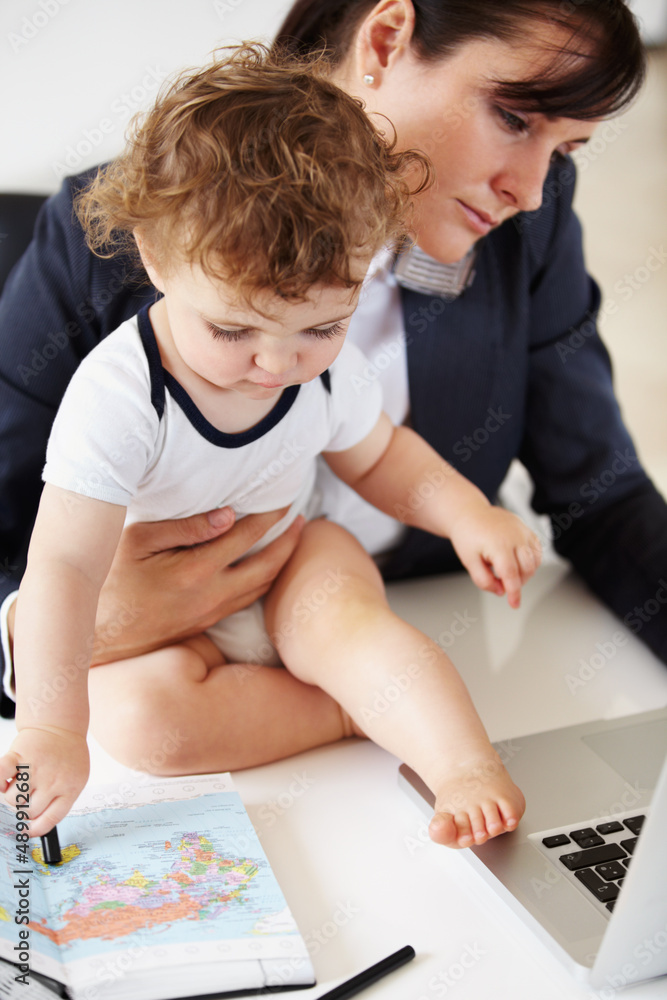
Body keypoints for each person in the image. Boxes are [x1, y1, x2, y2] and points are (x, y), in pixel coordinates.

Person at [0, 2, 664, 749]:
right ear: (384, 39)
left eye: (566, 150)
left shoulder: (527, 224)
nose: (533, 192)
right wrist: (62, 628)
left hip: (404, 650)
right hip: (179, 692)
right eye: (513, 118)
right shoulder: (122, 236)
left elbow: (601, 496)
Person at [0, 45, 541, 845]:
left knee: (356, 630)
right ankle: (347, 713)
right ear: (155, 256)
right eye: (233, 327)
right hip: (159, 621)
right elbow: (66, 568)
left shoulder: (323, 372)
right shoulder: (120, 397)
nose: (276, 364)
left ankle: (460, 764)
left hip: (292, 562)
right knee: (148, 727)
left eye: (322, 327)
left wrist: (467, 515)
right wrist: (50, 728)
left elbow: (384, 456)